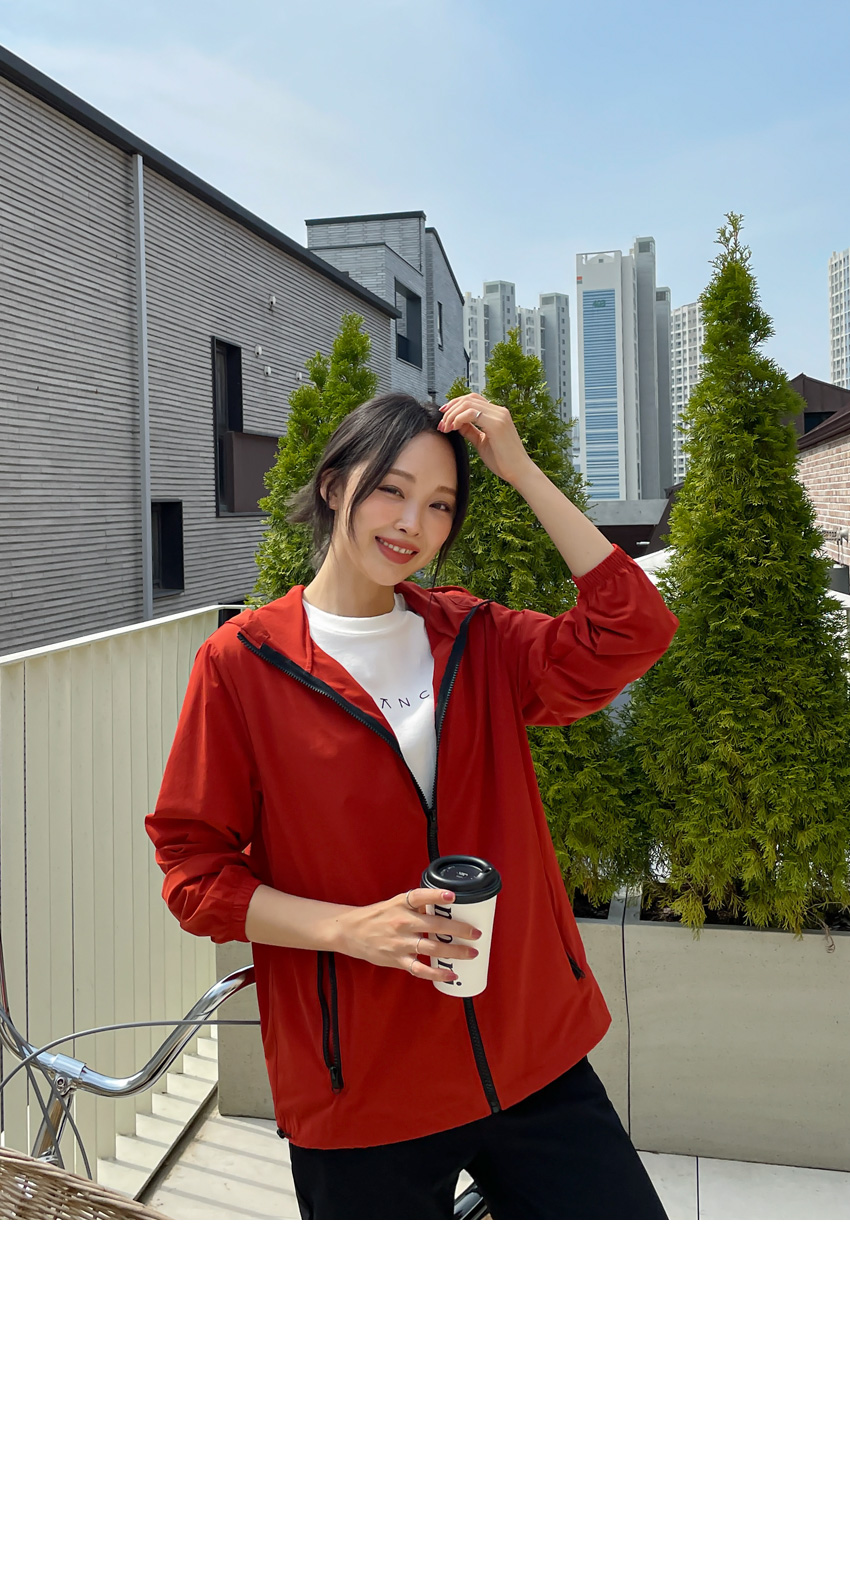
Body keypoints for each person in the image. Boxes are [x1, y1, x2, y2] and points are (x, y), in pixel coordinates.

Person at [145, 390, 679, 1219]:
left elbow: (631, 627)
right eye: (391, 490)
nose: (411, 524)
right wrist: (346, 928)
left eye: (440, 504)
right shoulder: (242, 664)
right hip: (362, 1085)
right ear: (334, 486)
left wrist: (522, 471)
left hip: (529, 1055)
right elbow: (194, 873)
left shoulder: (477, 637)